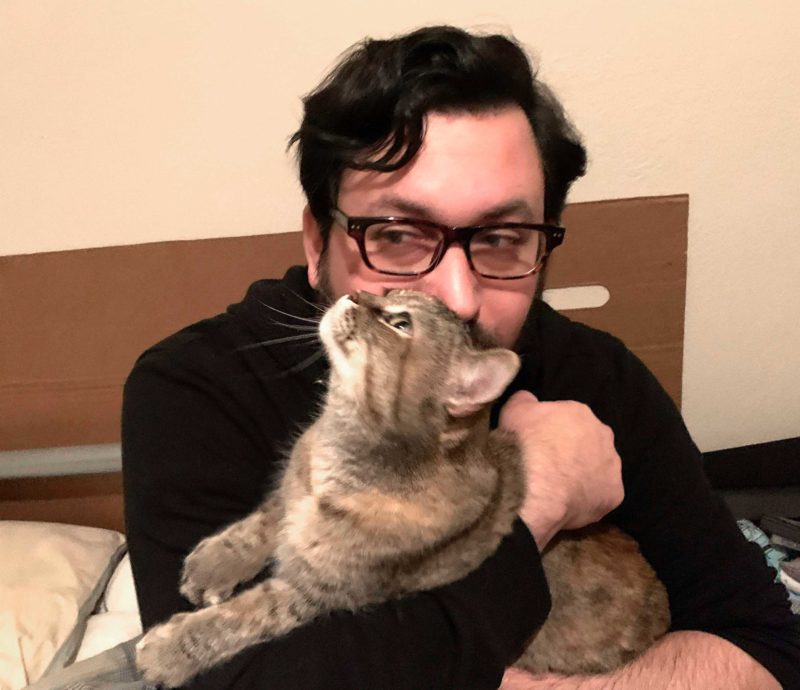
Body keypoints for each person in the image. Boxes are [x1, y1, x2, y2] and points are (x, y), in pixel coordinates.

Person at [121, 25, 799, 690]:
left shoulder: (596, 375)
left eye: (503, 238)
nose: (458, 295)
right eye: (395, 235)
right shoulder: (195, 390)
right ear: (315, 240)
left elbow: (766, 644)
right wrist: (535, 501)